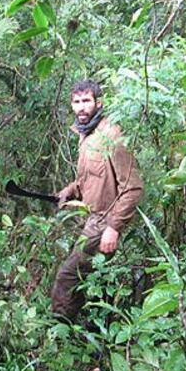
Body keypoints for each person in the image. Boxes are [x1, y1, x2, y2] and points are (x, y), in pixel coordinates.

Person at [52, 79, 143, 321]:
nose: (81, 107)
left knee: (67, 276)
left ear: (98, 103)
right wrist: (70, 190)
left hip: (105, 219)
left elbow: (132, 187)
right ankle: (92, 335)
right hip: (90, 216)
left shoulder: (111, 135)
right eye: (76, 102)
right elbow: (90, 178)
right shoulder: (86, 134)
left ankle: (57, 334)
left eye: (86, 101)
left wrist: (113, 228)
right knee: (91, 280)